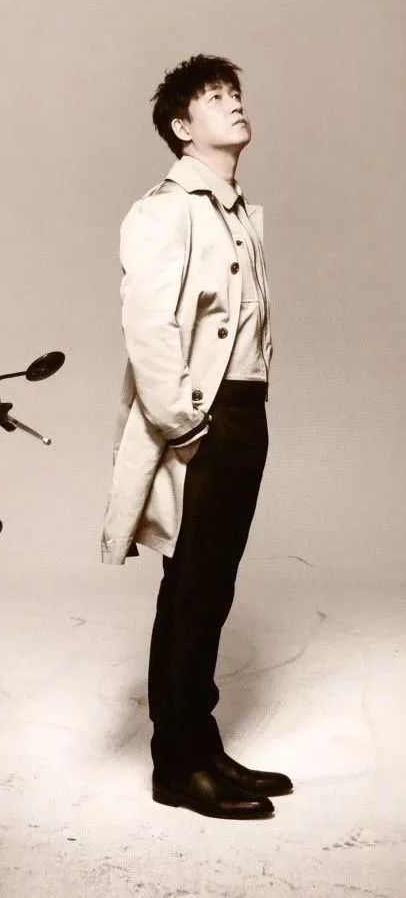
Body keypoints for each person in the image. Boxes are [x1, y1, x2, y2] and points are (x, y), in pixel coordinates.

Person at [101, 54, 292, 819]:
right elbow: (150, 327)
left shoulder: (236, 211)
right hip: (202, 419)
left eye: (235, 92)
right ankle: (177, 766)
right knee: (189, 588)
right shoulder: (165, 210)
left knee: (211, 587)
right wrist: (186, 424)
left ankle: (202, 746)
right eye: (215, 97)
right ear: (183, 127)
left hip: (245, 411)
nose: (234, 103)